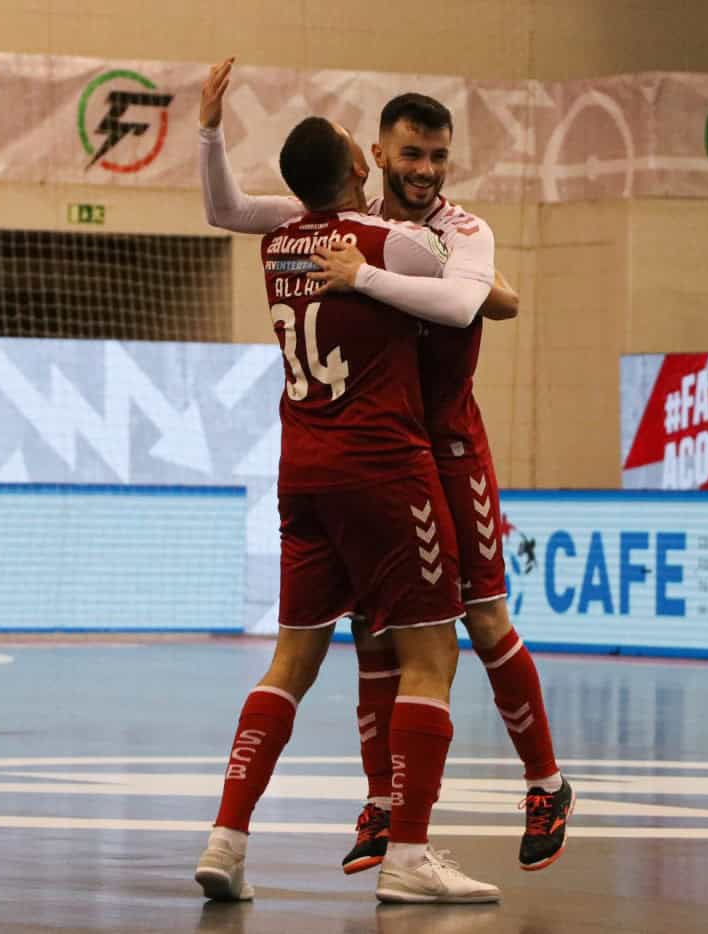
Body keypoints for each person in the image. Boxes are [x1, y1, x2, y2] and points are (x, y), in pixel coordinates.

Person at [199, 58, 573, 874]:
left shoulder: (459, 232)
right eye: (412, 154)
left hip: (446, 448)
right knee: (378, 638)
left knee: (480, 622)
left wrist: (373, 277)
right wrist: (209, 132)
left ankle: (544, 782)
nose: (426, 170)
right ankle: (384, 807)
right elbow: (232, 209)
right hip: (383, 456)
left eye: (438, 157)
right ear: (376, 153)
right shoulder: (360, 223)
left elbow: (476, 299)